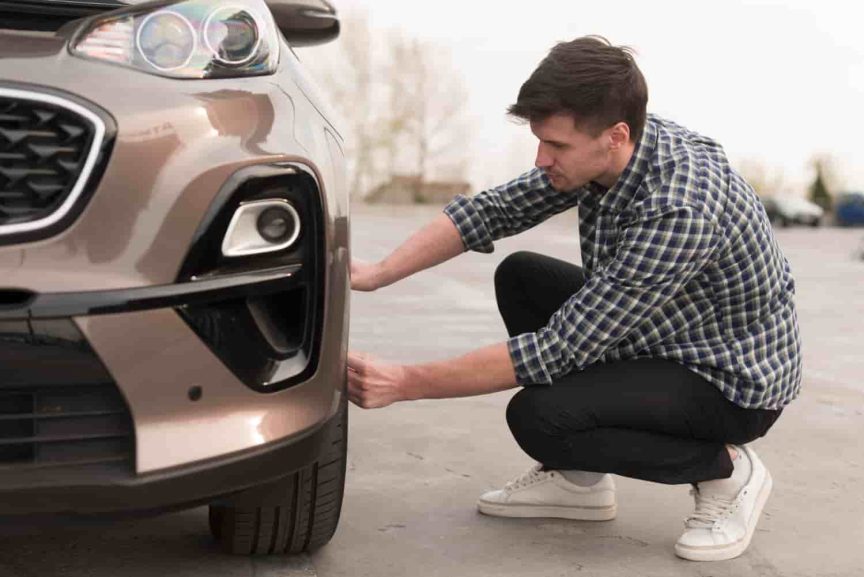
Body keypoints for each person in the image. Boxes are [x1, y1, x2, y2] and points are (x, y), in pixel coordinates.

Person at [347, 35, 801, 562]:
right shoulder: (610, 152)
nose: (542, 159)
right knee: (521, 275)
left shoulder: (680, 207)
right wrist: (378, 273)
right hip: (666, 332)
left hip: (728, 381)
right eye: (541, 140)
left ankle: (725, 471)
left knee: (539, 417)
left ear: (615, 135)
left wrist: (404, 383)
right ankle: (579, 481)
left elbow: (555, 351)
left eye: (556, 146)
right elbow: (492, 211)